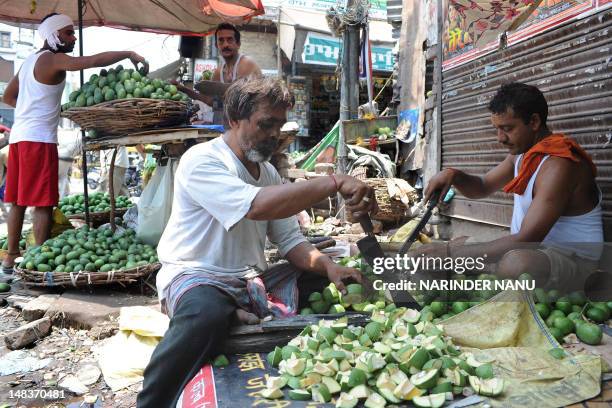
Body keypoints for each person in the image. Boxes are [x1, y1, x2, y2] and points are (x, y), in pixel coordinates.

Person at [136, 77, 378, 407]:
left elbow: (291, 241)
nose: (275, 135)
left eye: (279, 125)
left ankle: (238, 311)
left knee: (322, 275)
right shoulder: (202, 161)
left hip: (248, 279)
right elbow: (256, 205)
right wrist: (333, 181)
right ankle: (153, 400)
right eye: (266, 124)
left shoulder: (267, 173)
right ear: (234, 119)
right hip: (196, 276)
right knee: (204, 315)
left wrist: (330, 268)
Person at [1, 13, 145, 279]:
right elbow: (91, 61)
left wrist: (31, 109)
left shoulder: (29, 61)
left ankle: (9, 261)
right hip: (39, 140)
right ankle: (38, 263)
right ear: (53, 36)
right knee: (43, 204)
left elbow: (9, 96)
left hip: (19, 138)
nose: (74, 38)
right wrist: (128, 53)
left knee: (18, 201)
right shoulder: (53, 59)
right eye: (68, 33)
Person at [417, 82, 603, 289]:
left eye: (507, 129)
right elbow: (482, 186)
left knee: (515, 264)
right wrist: (454, 175)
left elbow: (527, 239)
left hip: (575, 263)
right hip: (536, 250)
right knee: (462, 242)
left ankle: (488, 269)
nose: (500, 138)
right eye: (497, 129)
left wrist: (450, 255)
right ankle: (484, 267)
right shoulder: (523, 155)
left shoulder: (558, 165)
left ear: (533, 122)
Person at [174, 23, 262, 124]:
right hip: (233, 127)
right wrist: (182, 89)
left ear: (238, 44)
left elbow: (243, 99)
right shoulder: (218, 72)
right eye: (221, 40)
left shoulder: (246, 64)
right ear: (216, 45)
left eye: (230, 40)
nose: (225, 45)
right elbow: (210, 100)